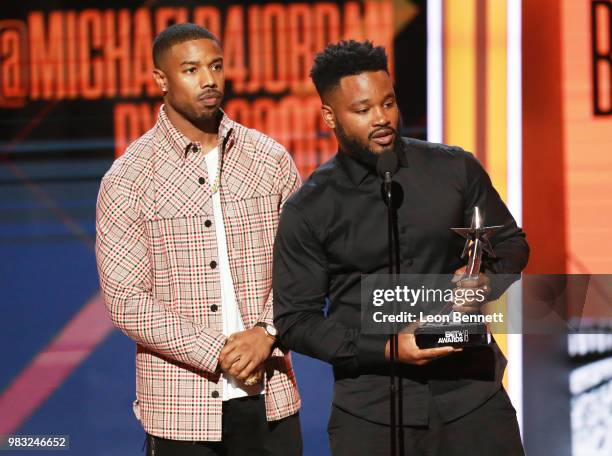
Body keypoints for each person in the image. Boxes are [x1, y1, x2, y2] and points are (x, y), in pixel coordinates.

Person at [273, 40, 528, 455]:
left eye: (388, 103)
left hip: (473, 400)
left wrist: (484, 282)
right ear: (329, 117)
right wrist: (387, 348)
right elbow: (296, 320)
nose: (382, 118)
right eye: (363, 110)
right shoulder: (310, 208)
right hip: (372, 414)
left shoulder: (454, 169)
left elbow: (511, 243)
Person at [96, 23, 302, 455]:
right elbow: (125, 299)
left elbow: (304, 268)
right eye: (190, 69)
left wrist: (267, 331)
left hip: (271, 396)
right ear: (161, 80)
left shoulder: (269, 159)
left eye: (216, 66)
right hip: (179, 406)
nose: (209, 80)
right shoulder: (129, 178)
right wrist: (218, 351)